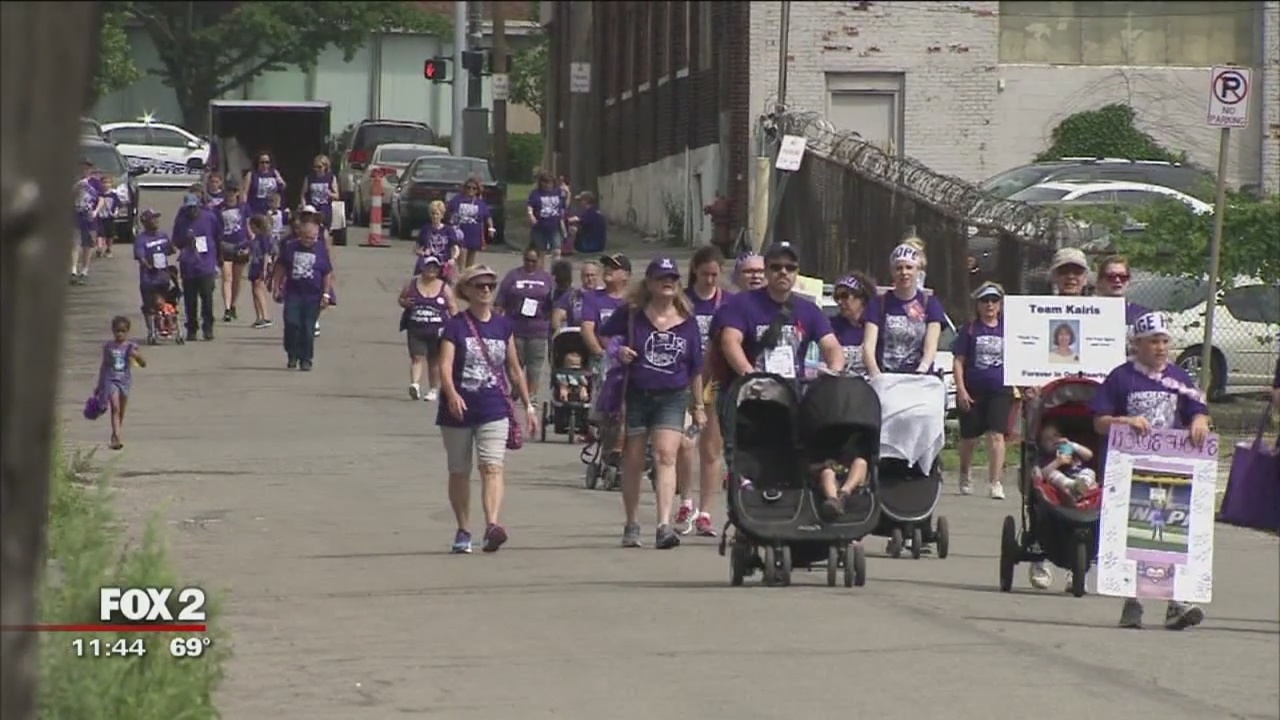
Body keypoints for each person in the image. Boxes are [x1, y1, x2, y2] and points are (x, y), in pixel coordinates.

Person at [1089, 310, 1211, 630]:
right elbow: (1099, 422)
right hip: (1130, 468)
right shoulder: (1121, 377)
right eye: (1153, 341)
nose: (1160, 348)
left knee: (1168, 534)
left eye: (1164, 341)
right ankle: (1132, 602)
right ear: (1137, 344)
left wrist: (1199, 421)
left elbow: (1198, 410)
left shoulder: (1179, 378)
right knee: (1134, 536)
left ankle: (1175, 603)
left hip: (1168, 468)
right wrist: (1125, 421)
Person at [597, 257, 706, 549]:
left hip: (673, 395)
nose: (667, 282)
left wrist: (698, 406)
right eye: (661, 278)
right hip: (636, 393)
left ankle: (663, 526)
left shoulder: (688, 320)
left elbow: (696, 367)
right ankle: (632, 523)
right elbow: (605, 334)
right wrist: (618, 350)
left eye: (672, 278)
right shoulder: (633, 314)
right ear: (649, 283)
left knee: (666, 456)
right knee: (632, 459)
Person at [437, 265, 539, 554]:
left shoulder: (503, 325)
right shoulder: (455, 326)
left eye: (490, 286)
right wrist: (452, 393)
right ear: (466, 290)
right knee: (459, 471)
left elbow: (514, 368)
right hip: (458, 409)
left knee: (492, 466)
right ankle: (463, 529)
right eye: (479, 285)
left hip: (494, 406)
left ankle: (493, 525)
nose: (485, 290)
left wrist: (529, 406)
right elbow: (445, 366)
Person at [716, 241, 844, 384]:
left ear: (797, 272)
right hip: (752, 393)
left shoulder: (809, 309)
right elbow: (730, 341)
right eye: (776, 267)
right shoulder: (742, 303)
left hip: (792, 393)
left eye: (790, 268)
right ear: (766, 270)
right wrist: (750, 375)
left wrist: (834, 373)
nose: (783, 272)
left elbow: (832, 346)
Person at [675, 245, 728, 536]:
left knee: (711, 450)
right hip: (684, 381)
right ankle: (686, 500)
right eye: (706, 274)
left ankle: (705, 512)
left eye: (715, 275)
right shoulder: (682, 302)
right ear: (695, 270)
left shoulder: (727, 303)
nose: (710, 280)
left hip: (715, 383)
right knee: (685, 445)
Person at [952, 281, 1014, 499]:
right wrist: (961, 389)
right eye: (985, 301)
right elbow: (959, 361)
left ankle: (995, 482)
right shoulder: (970, 329)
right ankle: (964, 473)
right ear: (978, 305)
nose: (989, 305)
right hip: (973, 390)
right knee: (970, 438)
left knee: (997, 435)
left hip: (999, 390)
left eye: (994, 301)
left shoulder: (1008, 328)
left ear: (1000, 304)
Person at [862, 243, 946, 377]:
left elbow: (931, 346)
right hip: (886, 377)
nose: (904, 273)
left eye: (909, 267)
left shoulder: (930, 303)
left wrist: (922, 370)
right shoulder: (878, 303)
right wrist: (876, 375)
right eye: (899, 268)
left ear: (918, 270)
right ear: (892, 272)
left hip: (919, 378)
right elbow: (868, 346)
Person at [271, 210, 334, 371]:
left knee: (307, 329)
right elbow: (281, 267)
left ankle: (306, 359)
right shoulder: (291, 247)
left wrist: (326, 294)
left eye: (313, 238)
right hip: (293, 293)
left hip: (313, 296)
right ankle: (292, 353)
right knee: (292, 324)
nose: (310, 241)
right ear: (300, 235)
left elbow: (327, 273)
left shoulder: (320, 250)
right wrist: (277, 286)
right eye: (307, 238)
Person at [497, 246, 555, 400]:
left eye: (534, 261)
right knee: (513, 364)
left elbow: (553, 304)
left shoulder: (547, 278)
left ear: (539, 261)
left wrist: (552, 323)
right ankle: (517, 389)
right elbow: (500, 300)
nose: (530, 263)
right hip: (515, 327)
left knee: (534, 366)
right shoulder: (513, 276)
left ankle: (531, 395)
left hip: (538, 329)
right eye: (527, 260)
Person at [400, 255, 457, 401]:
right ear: (422, 268)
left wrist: (456, 325)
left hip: (437, 331)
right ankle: (415, 385)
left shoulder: (444, 287)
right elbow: (401, 299)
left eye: (435, 267)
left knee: (434, 360)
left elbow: (452, 307)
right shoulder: (412, 284)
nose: (431, 270)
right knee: (417, 357)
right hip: (416, 328)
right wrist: (405, 303)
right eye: (429, 266)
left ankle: (433, 389)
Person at [171, 192, 220, 341]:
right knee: (190, 299)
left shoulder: (209, 217)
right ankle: (191, 328)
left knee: (207, 297)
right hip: (188, 265)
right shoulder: (181, 220)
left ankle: (208, 327)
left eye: (194, 207)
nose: (192, 211)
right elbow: (176, 241)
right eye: (189, 208)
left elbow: (217, 236)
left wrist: (219, 258)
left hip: (206, 264)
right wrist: (186, 241)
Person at [97, 316, 146, 450]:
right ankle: (116, 437)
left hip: (124, 380)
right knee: (115, 408)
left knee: (121, 410)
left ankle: (117, 432)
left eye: (123, 331)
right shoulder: (108, 346)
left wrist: (136, 356)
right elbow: (104, 365)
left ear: (127, 331)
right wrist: (99, 385)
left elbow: (143, 364)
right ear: (113, 331)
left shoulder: (131, 346)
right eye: (117, 331)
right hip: (111, 380)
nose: (120, 334)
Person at [132, 209, 176, 345]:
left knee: (161, 302)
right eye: (152, 219)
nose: (156, 221)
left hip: (163, 277)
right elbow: (140, 256)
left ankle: (163, 323)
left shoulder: (163, 235)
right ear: (145, 222)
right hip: (148, 278)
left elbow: (171, 250)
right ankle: (151, 330)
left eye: (157, 218)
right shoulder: (141, 239)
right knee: (149, 306)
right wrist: (148, 264)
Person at [217, 179, 251, 322]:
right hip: (225, 244)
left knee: (237, 279)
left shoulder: (244, 208)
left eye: (233, 191)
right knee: (227, 277)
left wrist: (251, 243)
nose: (230, 194)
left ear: (237, 193)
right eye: (228, 191)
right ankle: (226, 308)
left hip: (241, 244)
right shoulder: (219, 208)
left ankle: (233, 305)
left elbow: (248, 227)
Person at [830, 272, 876, 378]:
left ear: (862, 298)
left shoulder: (875, 327)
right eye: (837, 297)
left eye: (844, 296)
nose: (840, 302)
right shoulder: (831, 325)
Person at [1036, 423, 1097, 500]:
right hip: (1065, 482)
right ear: (1042, 446)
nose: (1053, 440)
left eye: (1056, 435)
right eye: (1048, 439)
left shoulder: (1069, 447)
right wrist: (1057, 462)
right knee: (1052, 473)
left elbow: (1089, 455)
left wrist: (1073, 445)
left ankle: (1080, 489)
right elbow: (1043, 474)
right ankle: (1072, 488)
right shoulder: (1047, 458)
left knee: (1089, 471)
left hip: (1081, 477)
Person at [446, 177, 495, 268]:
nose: (471, 190)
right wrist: (449, 225)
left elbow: (487, 216)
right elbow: (449, 212)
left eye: (474, 188)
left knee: (471, 261)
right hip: (460, 232)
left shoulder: (480, 203)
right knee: (461, 255)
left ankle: (468, 277)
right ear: (464, 188)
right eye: (468, 187)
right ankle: (461, 275)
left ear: (478, 190)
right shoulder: (457, 200)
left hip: (474, 233)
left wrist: (491, 229)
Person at [811, 451, 870, 522]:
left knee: (860, 462)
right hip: (832, 486)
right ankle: (834, 501)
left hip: (852, 483)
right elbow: (808, 468)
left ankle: (843, 494)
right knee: (827, 473)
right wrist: (824, 465)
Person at [73, 159, 105, 284]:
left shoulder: (95, 183)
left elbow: (101, 199)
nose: (84, 170)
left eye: (87, 168)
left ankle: (84, 271)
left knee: (88, 245)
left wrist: (96, 211)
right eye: (82, 167)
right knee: (74, 243)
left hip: (90, 217)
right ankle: (73, 270)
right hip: (75, 215)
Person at [1095, 255, 1150, 325]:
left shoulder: (1143, 315)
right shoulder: (1089, 312)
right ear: (1100, 281)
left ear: (1129, 280)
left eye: (1123, 277)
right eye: (1111, 277)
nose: (1117, 280)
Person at [526, 171, 568, 259]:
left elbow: (564, 204)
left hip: (554, 226)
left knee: (557, 250)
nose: (548, 185)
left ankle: (555, 271)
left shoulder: (558, 192)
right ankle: (540, 272)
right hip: (539, 226)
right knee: (541, 252)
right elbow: (530, 206)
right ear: (541, 183)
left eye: (550, 183)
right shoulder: (535, 194)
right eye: (545, 182)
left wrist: (568, 193)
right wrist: (531, 215)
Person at [551, 260, 602, 331]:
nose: (590, 279)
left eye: (592, 275)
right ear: (581, 277)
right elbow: (557, 316)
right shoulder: (572, 295)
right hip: (577, 337)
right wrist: (561, 335)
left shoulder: (604, 295)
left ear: (598, 276)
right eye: (586, 275)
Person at [416, 200, 463, 272]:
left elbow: (455, 247)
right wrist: (422, 252)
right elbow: (416, 248)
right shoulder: (425, 229)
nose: (435, 216)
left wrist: (453, 258)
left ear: (442, 215)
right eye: (433, 214)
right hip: (428, 263)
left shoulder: (448, 230)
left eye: (437, 214)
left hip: (444, 263)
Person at [246, 214, 276, 329]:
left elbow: (266, 254)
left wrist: (264, 270)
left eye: (252, 226)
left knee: (259, 291)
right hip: (253, 265)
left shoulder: (264, 237)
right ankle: (258, 317)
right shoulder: (255, 238)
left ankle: (266, 317)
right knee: (254, 292)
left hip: (260, 266)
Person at [301, 155, 339, 231]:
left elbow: (337, 196)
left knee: (324, 231)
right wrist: (304, 206)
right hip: (312, 208)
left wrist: (329, 193)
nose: (317, 169)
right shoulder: (309, 178)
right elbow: (303, 194)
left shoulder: (331, 177)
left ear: (325, 166)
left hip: (325, 209)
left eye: (319, 167)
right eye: (315, 167)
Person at [244, 151, 286, 217]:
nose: (264, 165)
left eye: (267, 162)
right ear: (258, 163)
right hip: (256, 208)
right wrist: (244, 208)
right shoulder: (251, 174)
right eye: (262, 162)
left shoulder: (274, 172)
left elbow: (283, 186)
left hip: (272, 208)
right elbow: (245, 193)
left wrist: (280, 181)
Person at [95, 174, 118, 258]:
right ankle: (99, 248)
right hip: (100, 217)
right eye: (104, 182)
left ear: (111, 184)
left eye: (108, 183)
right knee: (99, 234)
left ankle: (108, 249)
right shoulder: (98, 194)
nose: (106, 184)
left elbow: (117, 205)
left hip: (109, 217)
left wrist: (115, 212)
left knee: (109, 235)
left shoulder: (113, 195)